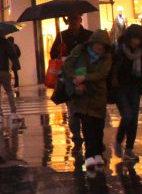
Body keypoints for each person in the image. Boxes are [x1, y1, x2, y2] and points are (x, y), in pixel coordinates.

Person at [63, 29, 112, 171]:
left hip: (98, 95)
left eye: (102, 45)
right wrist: (74, 79)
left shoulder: (106, 57)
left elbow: (102, 74)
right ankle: (90, 156)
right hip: (82, 94)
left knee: (98, 127)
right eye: (97, 43)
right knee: (87, 126)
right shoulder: (80, 50)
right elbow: (67, 66)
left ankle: (97, 153)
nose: (99, 47)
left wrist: (84, 78)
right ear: (92, 42)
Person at [111, 24, 142, 162]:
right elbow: (112, 67)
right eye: (134, 38)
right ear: (129, 37)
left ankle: (129, 149)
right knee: (127, 115)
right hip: (120, 88)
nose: (136, 42)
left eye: (139, 39)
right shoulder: (119, 49)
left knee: (134, 119)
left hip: (135, 87)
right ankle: (118, 141)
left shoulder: (141, 52)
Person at [50, 14, 92, 151]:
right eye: (71, 19)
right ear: (68, 21)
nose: (73, 22)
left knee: (86, 108)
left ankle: (88, 134)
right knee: (73, 110)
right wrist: (60, 50)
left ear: (80, 20)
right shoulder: (62, 36)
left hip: (85, 76)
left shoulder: (88, 35)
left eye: (76, 19)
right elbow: (53, 54)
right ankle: (76, 136)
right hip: (68, 76)